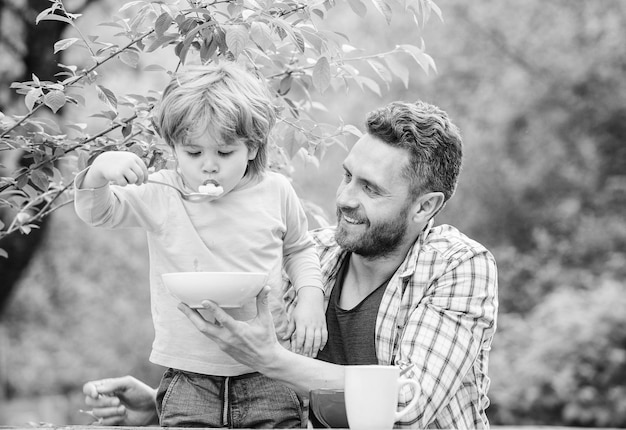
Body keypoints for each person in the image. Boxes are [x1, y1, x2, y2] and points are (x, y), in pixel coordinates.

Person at [82, 100, 498, 428]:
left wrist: (271, 360)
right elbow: (270, 393)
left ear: (425, 206)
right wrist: (166, 402)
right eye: (347, 176)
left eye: (370, 188)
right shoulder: (316, 256)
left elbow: (408, 403)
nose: (345, 198)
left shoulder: (458, 266)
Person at [74, 62, 327, 428]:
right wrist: (99, 169)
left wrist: (310, 299)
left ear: (253, 147)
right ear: (173, 146)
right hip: (188, 377)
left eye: (225, 154)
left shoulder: (275, 191)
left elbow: (299, 250)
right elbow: (99, 213)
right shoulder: (162, 191)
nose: (209, 167)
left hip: (268, 373)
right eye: (193, 153)